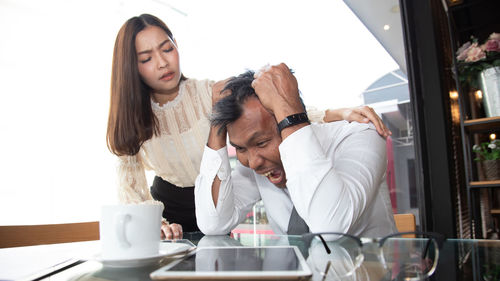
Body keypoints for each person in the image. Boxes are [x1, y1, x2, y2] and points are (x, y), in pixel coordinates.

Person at [106, 14, 391, 239]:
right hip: (169, 208)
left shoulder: (213, 92)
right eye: (146, 58)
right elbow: (131, 190)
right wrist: (154, 223)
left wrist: (336, 112)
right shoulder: (131, 118)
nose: (162, 63)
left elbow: (269, 106)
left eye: (167, 49)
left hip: (216, 192)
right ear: (132, 67)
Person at [195, 63, 397, 237]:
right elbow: (213, 223)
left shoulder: (360, 135)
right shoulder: (257, 165)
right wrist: (216, 124)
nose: (254, 162)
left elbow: (329, 227)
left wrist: (290, 112)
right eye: (240, 148)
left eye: (262, 142)